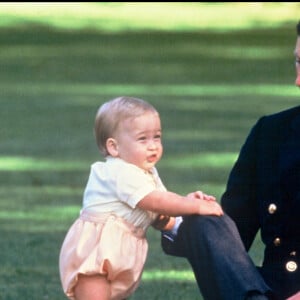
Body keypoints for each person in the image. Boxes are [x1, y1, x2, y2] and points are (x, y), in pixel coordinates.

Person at [161, 21, 300, 300]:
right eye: (298, 61)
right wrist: (170, 217)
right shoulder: (270, 133)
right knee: (208, 218)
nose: (298, 80)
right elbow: (234, 231)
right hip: (264, 289)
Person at [59, 96, 224, 300]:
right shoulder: (119, 172)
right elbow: (157, 201)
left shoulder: (147, 173)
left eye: (157, 137)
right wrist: (193, 206)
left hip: (121, 250)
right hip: (97, 251)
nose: (153, 145)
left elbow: (162, 211)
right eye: (142, 139)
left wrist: (186, 202)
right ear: (114, 147)